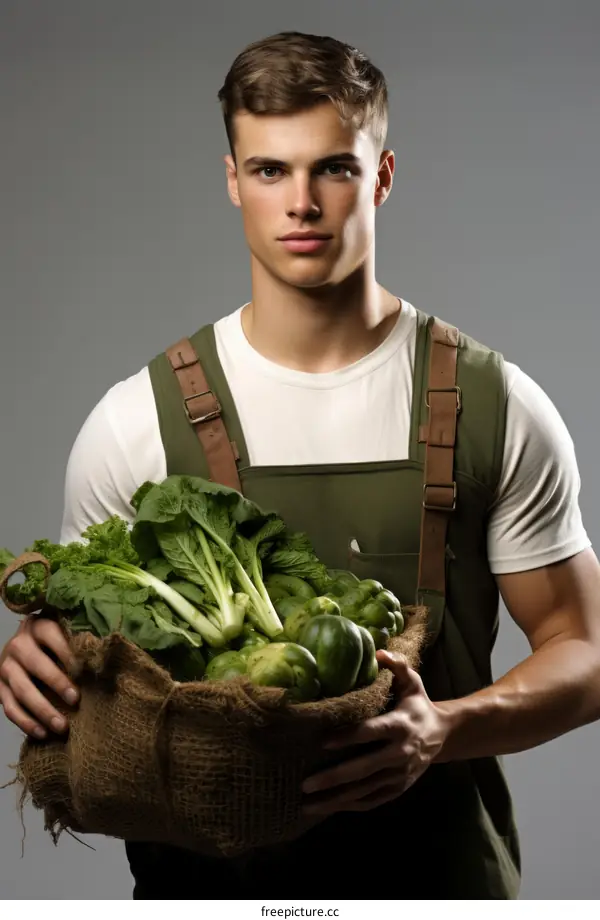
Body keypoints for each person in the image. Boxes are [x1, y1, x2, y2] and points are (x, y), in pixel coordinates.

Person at [1, 30, 600, 900]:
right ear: (233, 180)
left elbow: (582, 650)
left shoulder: (494, 404)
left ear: (382, 177)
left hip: (440, 887)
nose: (302, 203)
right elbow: (91, 652)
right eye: (272, 170)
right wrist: (45, 652)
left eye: (335, 169)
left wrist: (445, 729)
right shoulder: (134, 420)